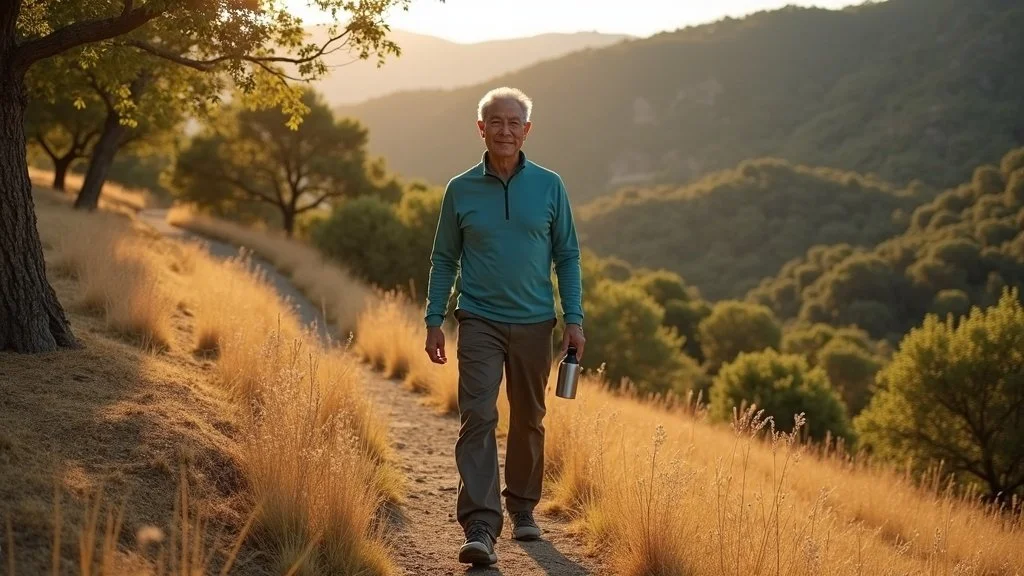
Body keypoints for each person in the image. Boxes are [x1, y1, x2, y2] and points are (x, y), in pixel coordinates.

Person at [422, 86, 586, 566]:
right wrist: (435, 318)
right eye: (497, 121)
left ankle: (523, 507)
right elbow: (443, 258)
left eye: (515, 122)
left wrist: (573, 318)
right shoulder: (460, 188)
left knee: (529, 419)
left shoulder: (550, 186)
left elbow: (568, 256)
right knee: (478, 416)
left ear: (527, 130)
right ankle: (479, 523)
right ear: (482, 128)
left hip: (536, 322)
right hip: (478, 320)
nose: (506, 130)